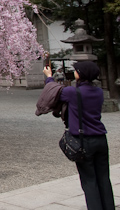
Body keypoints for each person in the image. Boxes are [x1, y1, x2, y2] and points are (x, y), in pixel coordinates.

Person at [42, 61, 115, 209]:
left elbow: (52, 91)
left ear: (80, 74)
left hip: (83, 141)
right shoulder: (99, 92)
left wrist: (49, 77)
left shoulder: (72, 93)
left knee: (89, 181)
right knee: (103, 178)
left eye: (76, 70)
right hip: (101, 139)